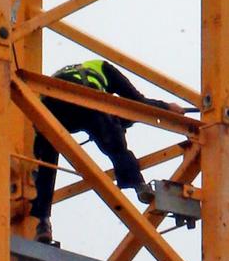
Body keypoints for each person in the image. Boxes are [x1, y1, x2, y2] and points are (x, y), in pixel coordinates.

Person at [29, 57, 166, 244]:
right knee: (115, 145)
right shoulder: (103, 67)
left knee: (46, 161)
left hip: (50, 107)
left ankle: (43, 221)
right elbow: (138, 103)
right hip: (86, 99)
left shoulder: (66, 71)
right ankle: (138, 184)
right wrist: (167, 108)